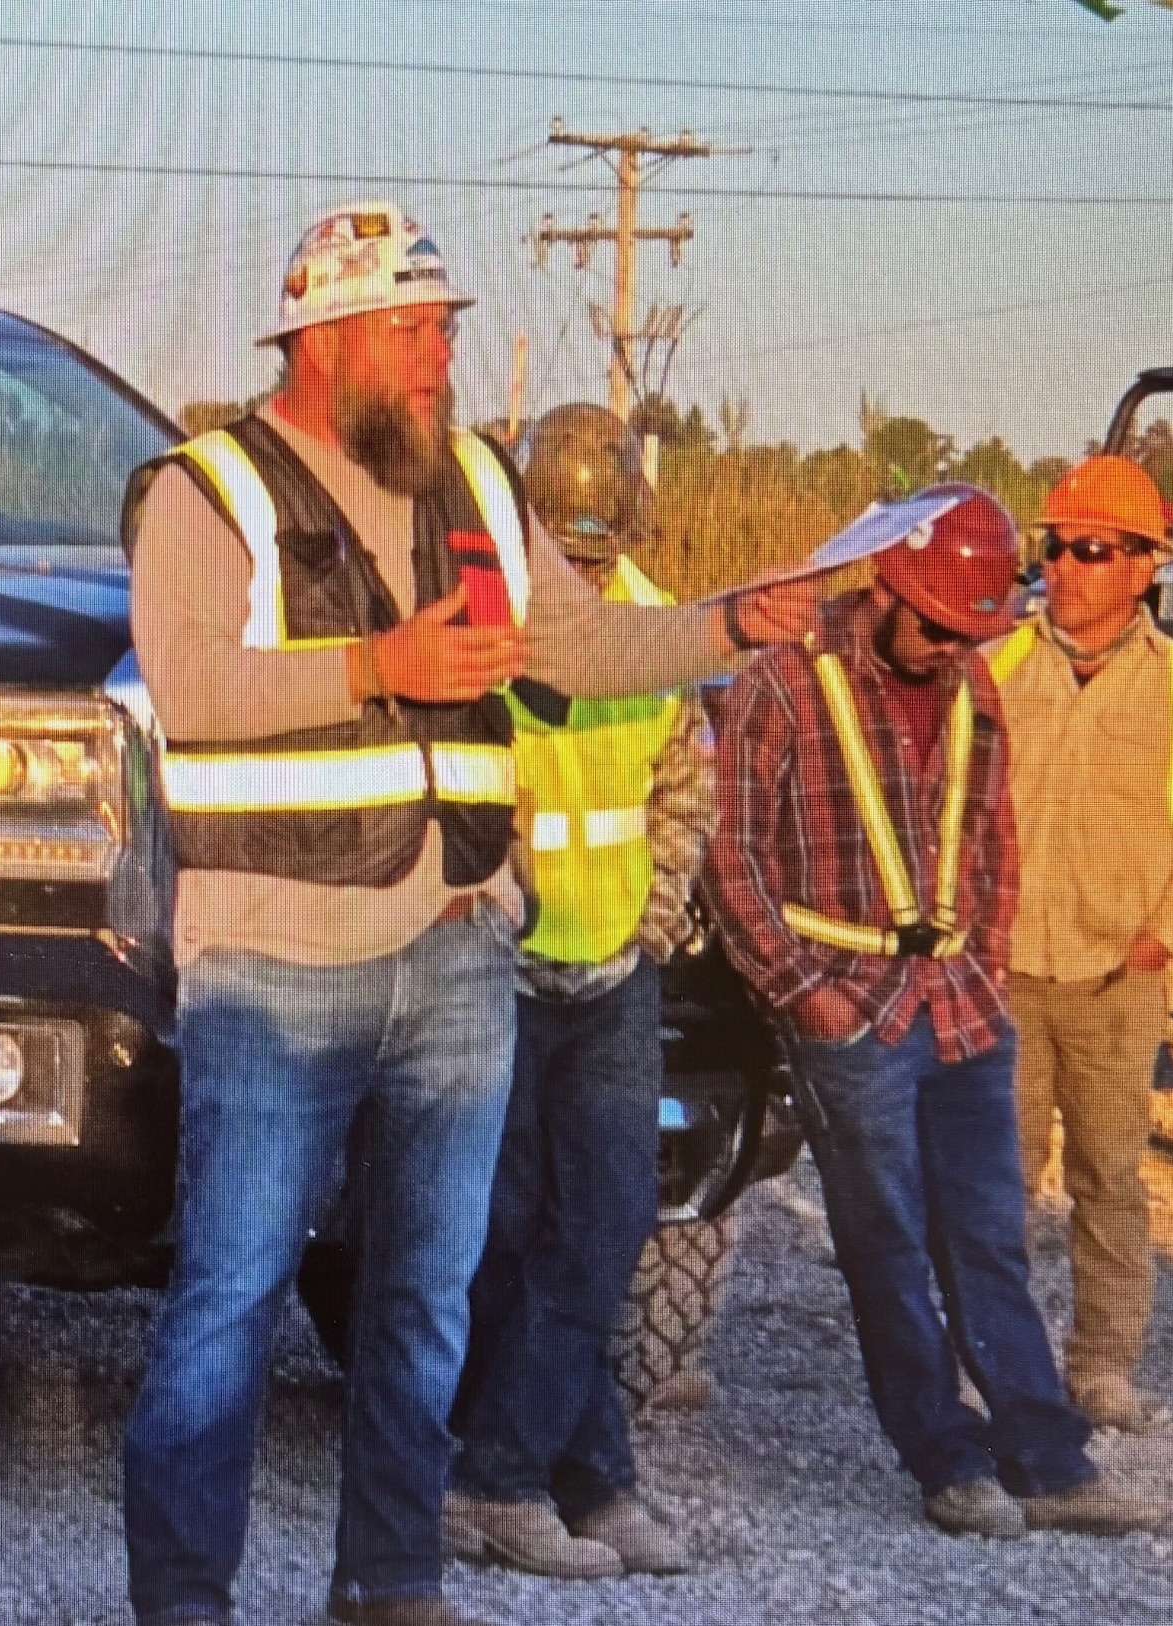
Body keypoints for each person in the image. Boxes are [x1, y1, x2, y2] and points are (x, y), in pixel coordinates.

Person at [121, 201, 817, 1626]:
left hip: (455, 948)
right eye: (417, 330)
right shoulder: (208, 488)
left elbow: (587, 647)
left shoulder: (482, 487)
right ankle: (184, 1597)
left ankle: (389, 1578)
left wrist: (736, 621)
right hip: (274, 961)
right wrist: (379, 659)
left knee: (426, 1296)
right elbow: (188, 691)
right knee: (230, 1300)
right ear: (328, 342)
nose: (443, 356)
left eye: (443, 329)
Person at [704, 485, 1168, 1542]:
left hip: (960, 1006)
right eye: (940, 625)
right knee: (888, 1243)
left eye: (973, 632)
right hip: (850, 1010)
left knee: (990, 1240)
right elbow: (732, 857)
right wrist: (804, 995)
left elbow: (992, 840)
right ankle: (945, 1459)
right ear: (888, 589)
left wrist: (987, 971)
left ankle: (1047, 1463)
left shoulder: (969, 683)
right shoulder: (786, 680)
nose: (954, 647)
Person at [445, 405, 714, 1581]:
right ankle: (576, 1481)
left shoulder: (659, 631)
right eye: (566, 548)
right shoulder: (479, 627)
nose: (587, 572)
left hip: (613, 973)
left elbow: (683, 799)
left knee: (602, 1229)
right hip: (496, 967)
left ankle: (507, 1477)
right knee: (501, 1234)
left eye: (599, 552)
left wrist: (650, 932)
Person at [990, 455, 1173, 1433]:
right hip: (1003, 974)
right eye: (1057, 546)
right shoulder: (994, 665)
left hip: (1119, 980)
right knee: (991, 1187)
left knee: (1108, 1180)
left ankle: (1102, 1367)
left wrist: (1166, 938)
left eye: (1092, 550)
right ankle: (989, 1364)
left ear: (1143, 567)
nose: (1068, 567)